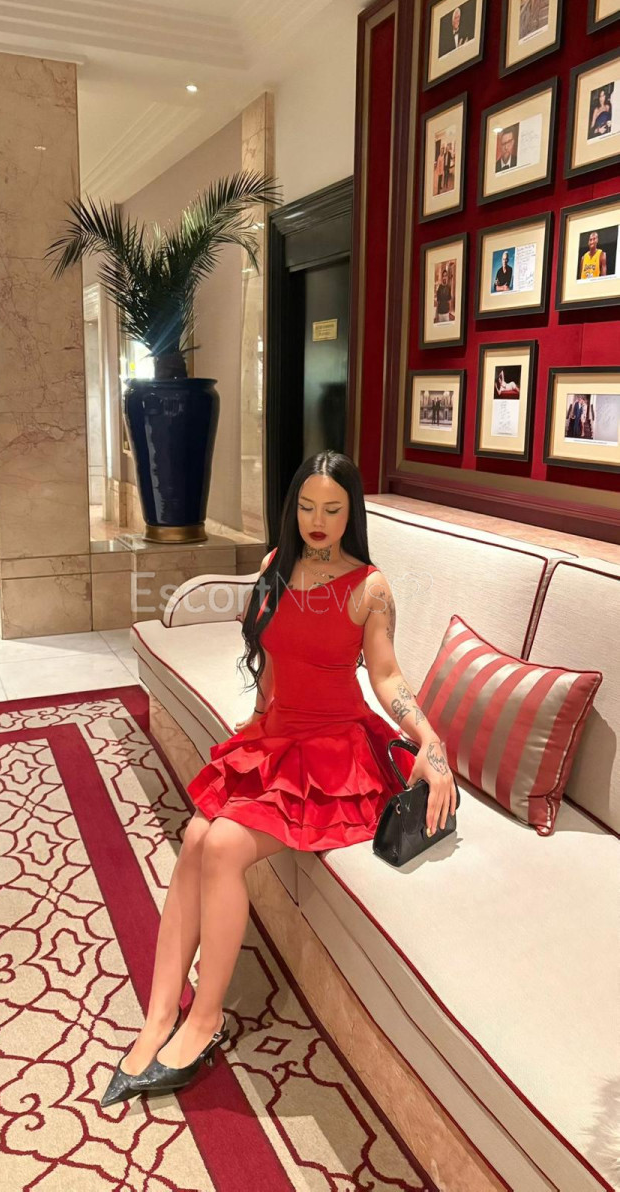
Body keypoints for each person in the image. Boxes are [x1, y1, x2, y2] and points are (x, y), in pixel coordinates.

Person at [100, 451, 456, 1108]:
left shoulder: (369, 587)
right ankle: (159, 1016)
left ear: (351, 514)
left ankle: (205, 1022)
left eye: (333, 509)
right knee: (197, 835)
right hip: (275, 738)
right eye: (306, 507)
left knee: (222, 844)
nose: (318, 521)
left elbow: (386, 677)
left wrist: (429, 741)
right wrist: (257, 727)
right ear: (292, 508)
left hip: (334, 752)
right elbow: (270, 663)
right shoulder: (274, 567)